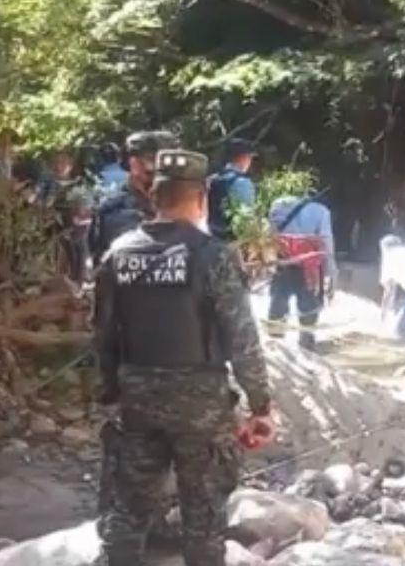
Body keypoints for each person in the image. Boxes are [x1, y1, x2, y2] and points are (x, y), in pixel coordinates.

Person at [94, 149, 272, 566]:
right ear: (202, 195)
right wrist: (260, 405)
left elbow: (102, 334)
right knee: (204, 519)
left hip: (137, 399)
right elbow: (241, 337)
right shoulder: (214, 255)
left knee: (127, 513)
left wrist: (109, 391)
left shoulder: (118, 254)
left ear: (153, 195)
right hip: (200, 404)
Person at [88, 131, 178, 264]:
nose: (162, 170)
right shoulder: (111, 212)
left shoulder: (187, 204)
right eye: (153, 161)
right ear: (134, 164)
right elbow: (101, 266)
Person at [267, 191, 336, 351]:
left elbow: (270, 235)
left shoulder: (277, 204)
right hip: (309, 266)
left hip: (282, 261)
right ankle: (306, 344)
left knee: (278, 300)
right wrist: (331, 272)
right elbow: (326, 243)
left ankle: (275, 344)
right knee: (309, 307)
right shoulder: (321, 211)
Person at [207, 138, 257, 240]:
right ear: (244, 158)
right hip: (229, 241)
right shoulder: (242, 183)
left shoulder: (210, 179)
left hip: (208, 238)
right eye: (249, 158)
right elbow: (244, 218)